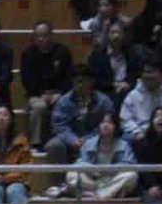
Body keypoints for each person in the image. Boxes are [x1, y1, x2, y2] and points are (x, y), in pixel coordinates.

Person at [42, 67, 115, 195]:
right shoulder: (64, 101)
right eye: (77, 82)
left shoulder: (104, 101)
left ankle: (98, 186)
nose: (80, 85)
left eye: (83, 81)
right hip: (70, 140)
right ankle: (64, 186)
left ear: (91, 82)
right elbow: (59, 125)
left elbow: (107, 124)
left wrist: (87, 140)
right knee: (53, 145)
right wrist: (73, 139)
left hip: (96, 139)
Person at [20, 21, 73, 150]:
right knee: (39, 107)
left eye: (45, 35)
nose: (41, 39)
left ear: (51, 35)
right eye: (38, 36)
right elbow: (26, 80)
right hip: (37, 94)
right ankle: (35, 144)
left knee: (65, 104)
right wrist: (41, 94)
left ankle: (65, 140)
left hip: (59, 93)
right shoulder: (28, 53)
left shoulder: (62, 51)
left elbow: (69, 76)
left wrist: (59, 93)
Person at [68, 111, 138, 200]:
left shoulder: (124, 145)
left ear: (115, 126)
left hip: (113, 179)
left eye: (110, 122)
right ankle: (110, 193)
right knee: (71, 174)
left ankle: (99, 194)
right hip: (93, 180)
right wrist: (94, 170)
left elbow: (129, 165)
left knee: (131, 175)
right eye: (103, 122)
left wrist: (108, 170)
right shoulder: (89, 143)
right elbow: (80, 163)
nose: (105, 125)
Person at [120, 61, 162, 142]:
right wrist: (137, 132)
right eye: (146, 72)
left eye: (152, 71)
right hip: (141, 134)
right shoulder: (132, 96)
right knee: (125, 137)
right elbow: (125, 120)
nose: (149, 75)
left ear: (160, 74)